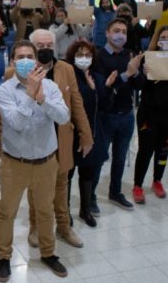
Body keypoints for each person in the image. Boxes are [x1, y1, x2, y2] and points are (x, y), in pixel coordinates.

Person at [0, 40, 71, 282]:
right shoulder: (4, 90)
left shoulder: (50, 86)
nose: (25, 60)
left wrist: (41, 98)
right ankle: (4, 257)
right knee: (7, 212)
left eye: (30, 56)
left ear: (36, 61)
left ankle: (48, 253)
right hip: (15, 163)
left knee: (45, 211)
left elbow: (63, 117)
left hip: (46, 161)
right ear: (12, 61)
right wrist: (30, 96)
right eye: (20, 56)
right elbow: (15, 123)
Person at [20, 30, 92, 249]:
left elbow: (76, 102)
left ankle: (63, 227)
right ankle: (35, 228)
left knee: (62, 184)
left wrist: (86, 134)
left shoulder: (66, 69)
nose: (46, 48)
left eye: (50, 44)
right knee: (36, 187)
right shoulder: (20, 72)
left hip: (61, 136)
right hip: (35, 139)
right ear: (32, 48)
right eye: (40, 45)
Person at [132, 26, 168, 203]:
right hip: (149, 114)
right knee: (145, 150)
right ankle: (137, 185)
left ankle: (157, 181)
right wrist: (143, 74)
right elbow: (140, 87)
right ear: (157, 40)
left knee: (163, 150)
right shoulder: (147, 59)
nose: (166, 41)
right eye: (162, 37)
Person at [94, 18, 145, 210]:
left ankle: (115, 191)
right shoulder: (98, 56)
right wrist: (127, 74)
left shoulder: (129, 54)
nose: (120, 35)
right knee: (99, 157)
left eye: (124, 32)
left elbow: (139, 86)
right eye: (116, 31)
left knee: (121, 156)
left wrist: (138, 73)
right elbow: (103, 88)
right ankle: (90, 196)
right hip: (106, 115)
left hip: (126, 114)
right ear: (107, 33)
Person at [64, 39, 109, 227]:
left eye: (88, 55)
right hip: (71, 132)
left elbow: (105, 105)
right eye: (80, 55)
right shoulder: (68, 75)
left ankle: (85, 209)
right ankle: (64, 211)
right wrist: (89, 91)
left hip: (93, 130)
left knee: (88, 172)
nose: (84, 58)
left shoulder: (97, 76)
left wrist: (97, 89)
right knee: (68, 173)